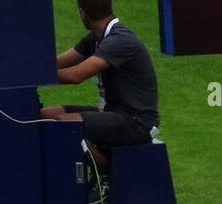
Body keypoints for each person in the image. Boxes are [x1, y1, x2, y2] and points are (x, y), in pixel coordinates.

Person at [40, 0, 160, 171]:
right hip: (113, 113)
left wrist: (30, 75)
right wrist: (32, 67)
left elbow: (76, 75)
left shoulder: (120, 40)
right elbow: (59, 63)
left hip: (137, 121)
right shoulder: (97, 37)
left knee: (62, 125)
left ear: (82, 13)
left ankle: (107, 177)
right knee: (45, 115)